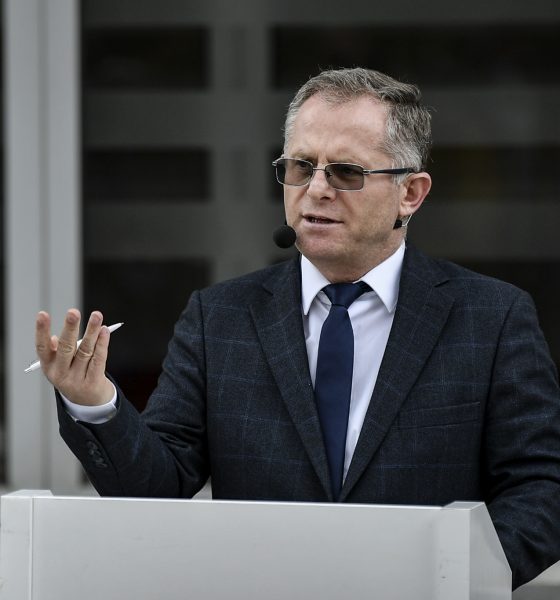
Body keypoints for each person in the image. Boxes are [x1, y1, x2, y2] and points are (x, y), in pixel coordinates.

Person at [35, 67, 560, 589]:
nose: (317, 190)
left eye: (346, 172)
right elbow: (157, 490)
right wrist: (95, 402)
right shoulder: (220, 317)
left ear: (411, 193)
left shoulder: (491, 318)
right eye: (300, 167)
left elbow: (542, 489)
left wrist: (453, 577)